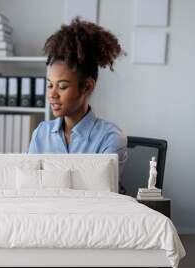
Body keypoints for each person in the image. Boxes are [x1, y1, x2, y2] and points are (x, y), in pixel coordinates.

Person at [28, 18, 128, 179]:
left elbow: (100, 193)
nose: (52, 94)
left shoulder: (110, 138)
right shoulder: (41, 133)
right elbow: (30, 183)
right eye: (49, 85)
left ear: (87, 86)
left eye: (62, 86)